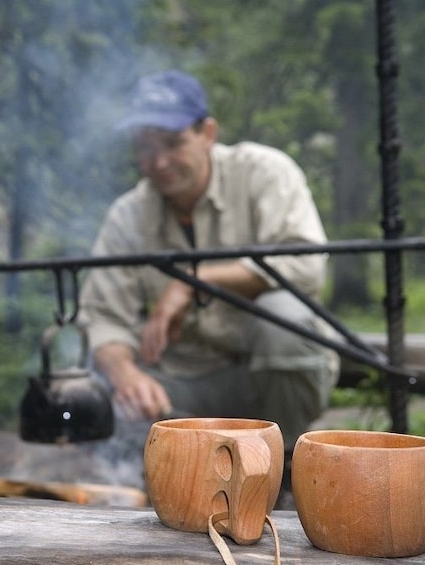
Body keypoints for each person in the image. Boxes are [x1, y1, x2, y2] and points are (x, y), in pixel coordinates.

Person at [79, 70, 338, 490]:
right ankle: (152, 497)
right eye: (145, 147)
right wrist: (126, 375)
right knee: (99, 384)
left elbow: (306, 265)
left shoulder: (264, 173)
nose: (159, 162)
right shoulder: (128, 215)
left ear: (207, 133)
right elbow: (102, 315)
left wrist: (191, 282)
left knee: (284, 314)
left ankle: (287, 475)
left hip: (269, 381)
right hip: (183, 388)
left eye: (173, 143)